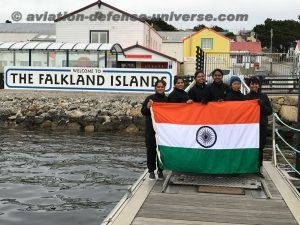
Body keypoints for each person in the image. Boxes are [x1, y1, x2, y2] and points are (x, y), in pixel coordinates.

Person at [141, 79, 168, 180]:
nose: (160, 88)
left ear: (164, 87)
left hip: (162, 130)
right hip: (151, 129)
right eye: (158, 87)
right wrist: (148, 107)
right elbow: (143, 112)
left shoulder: (167, 99)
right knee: (151, 150)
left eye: (162, 87)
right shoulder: (150, 98)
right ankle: (151, 171)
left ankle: (160, 170)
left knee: (161, 150)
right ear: (155, 88)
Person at [245, 76, 273, 174]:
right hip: (250, 127)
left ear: (259, 85)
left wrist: (261, 105)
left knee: (260, 147)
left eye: (256, 83)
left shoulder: (264, 97)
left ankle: (259, 167)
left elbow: (269, 112)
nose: (254, 85)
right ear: (249, 85)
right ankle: (248, 166)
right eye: (252, 83)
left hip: (261, 125)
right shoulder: (246, 98)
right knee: (250, 146)